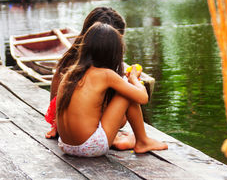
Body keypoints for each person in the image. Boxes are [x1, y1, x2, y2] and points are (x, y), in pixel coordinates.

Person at [56, 22, 168, 157]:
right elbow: (142, 97)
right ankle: (143, 141)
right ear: (113, 53)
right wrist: (133, 79)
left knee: (124, 90)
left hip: (65, 145)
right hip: (89, 146)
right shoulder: (106, 75)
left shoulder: (70, 73)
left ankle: (127, 139)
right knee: (127, 92)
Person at [45, 7, 126, 139]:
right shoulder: (100, 70)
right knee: (127, 96)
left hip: (64, 128)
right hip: (86, 132)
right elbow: (137, 101)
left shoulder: (69, 59)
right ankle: (142, 139)